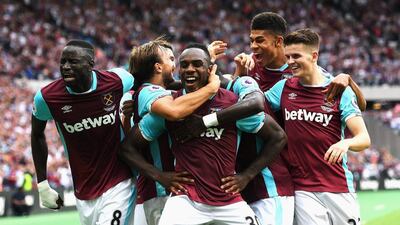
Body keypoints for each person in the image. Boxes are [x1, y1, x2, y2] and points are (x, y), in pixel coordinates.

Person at [119, 44, 287, 225]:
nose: (190, 69)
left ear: (210, 70)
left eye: (197, 64)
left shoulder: (231, 104)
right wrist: (161, 176)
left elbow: (278, 137)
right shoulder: (172, 105)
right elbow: (127, 148)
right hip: (186, 201)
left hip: (229, 200)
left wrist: (247, 175)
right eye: (184, 65)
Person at [265, 28, 371, 225]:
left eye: (296, 56)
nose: (290, 62)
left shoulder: (338, 91)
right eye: (287, 57)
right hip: (303, 189)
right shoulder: (283, 89)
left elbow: (364, 139)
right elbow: (252, 104)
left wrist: (345, 144)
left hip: (339, 186)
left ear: (314, 55)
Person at [31, 40, 136, 225]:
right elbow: (37, 134)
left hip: (120, 183)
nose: (65, 67)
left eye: (72, 61)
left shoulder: (117, 80)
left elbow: (149, 80)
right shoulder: (47, 98)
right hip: (83, 192)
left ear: (90, 64)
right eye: (63, 62)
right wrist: (42, 184)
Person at [121, 37, 221, 225]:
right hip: (162, 191)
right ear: (158, 67)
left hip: (178, 190)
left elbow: (186, 86)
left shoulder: (157, 91)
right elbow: (175, 111)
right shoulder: (149, 92)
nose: (176, 66)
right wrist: (211, 88)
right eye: (171, 59)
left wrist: (207, 60)